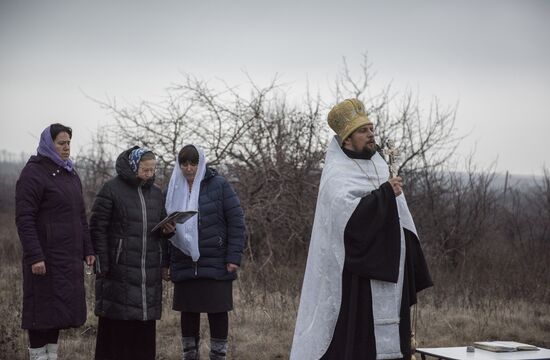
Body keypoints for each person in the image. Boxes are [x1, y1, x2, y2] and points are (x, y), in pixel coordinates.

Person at [290, 99, 433, 360]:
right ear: (347, 139)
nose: (371, 135)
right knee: (360, 341)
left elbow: (401, 216)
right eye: (363, 131)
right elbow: (348, 220)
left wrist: (411, 255)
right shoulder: (337, 173)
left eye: (371, 129)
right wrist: (385, 194)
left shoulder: (380, 164)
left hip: (391, 270)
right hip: (357, 277)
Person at [15, 123, 95, 360]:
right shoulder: (33, 174)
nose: (66, 148)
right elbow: (24, 218)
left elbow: (80, 216)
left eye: (69, 143)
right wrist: (35, 256)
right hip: (44, 260)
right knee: (41, 316)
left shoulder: (69, 173)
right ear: (49, 144)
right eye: (61, 143)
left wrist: (87, 248)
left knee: (58, 315)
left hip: (67, 259)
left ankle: (52, 356)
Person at [89, 146, 173, 360]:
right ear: (134, 166)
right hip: (118, 273)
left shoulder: (156, 194)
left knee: (143, 334)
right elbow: (97, 228)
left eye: (153, 170)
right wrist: (103, 264)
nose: (149, 174)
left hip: (148, 274)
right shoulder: (111, 190)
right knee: (116, 334)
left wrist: (168, 231)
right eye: (145, 170)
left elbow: (161, 229)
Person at [165, 144, 245, 360]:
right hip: (183, 261)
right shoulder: (173, 189)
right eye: (184, 164)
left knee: (217, 311)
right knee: (188, 312)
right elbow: (162, 229)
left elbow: (236, 222)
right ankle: (189, 355)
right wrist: (166, 263)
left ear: (201, 164)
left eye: (193, 163)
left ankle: (218, 356)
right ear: (179, 165)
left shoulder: (219, 185)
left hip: (216, 261)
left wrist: (233, 257)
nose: (189, 168)